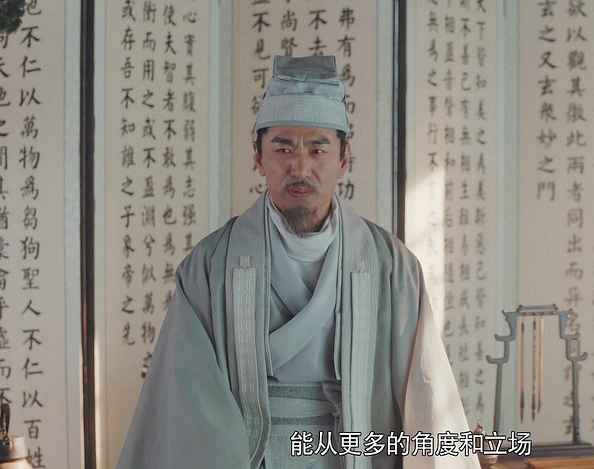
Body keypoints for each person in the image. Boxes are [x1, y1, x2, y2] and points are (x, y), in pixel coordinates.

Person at [117, 55, 480, 469]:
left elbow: (426, 398)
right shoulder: (209, 266)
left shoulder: (391, 267)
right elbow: (189, 407)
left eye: (317, 149)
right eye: (283, 148)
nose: (300, 167)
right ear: (258, 156)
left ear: (343, 158)